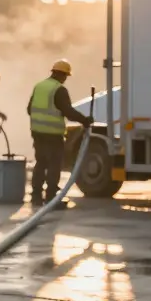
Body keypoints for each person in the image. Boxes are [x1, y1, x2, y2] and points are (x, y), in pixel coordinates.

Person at [27, 59, 91, 208]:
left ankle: (36, 196)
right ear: (63, 75)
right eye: (66, 76)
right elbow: (68, 112)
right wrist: (85, 120)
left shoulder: (39, 86)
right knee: (54, 165)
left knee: (40, 163)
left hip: (37, 132)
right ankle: (50, 198)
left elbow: (29, 109)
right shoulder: (59, 90)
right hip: (53, 134)